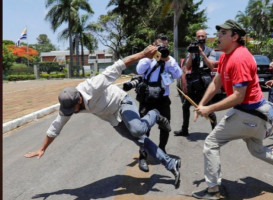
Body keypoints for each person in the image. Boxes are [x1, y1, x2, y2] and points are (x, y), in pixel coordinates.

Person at [24, 45, 182, 188]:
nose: (72, 113)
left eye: (74, 109)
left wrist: (142, 53)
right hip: (111, 117)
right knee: (141, 141)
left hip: (121, 102)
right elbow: (56, 126)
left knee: (137, 129)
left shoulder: (93, 85)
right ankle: (171, 164)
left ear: (79, 99)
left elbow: (118, 66)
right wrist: (42, 149)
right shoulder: (68, 105)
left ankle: (155, 114)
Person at [191, 20, 273, 199]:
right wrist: (202, 104)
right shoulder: (226, 54)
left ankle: (213, 190)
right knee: (258, 150)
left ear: (235, 37)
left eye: (223, 33)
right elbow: (217, 82)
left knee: (211, 144)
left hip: (248, 113)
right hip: (252, 114)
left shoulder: (240, 58)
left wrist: (209, 108)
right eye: (219, 33)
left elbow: (238, 96)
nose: (218, 36)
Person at [135, 34, 182, 172]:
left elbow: (178, 74)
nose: (162, 49)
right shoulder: (147, 59)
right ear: (153, 45)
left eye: (165, 46)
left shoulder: (169, 60)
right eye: (159, 46)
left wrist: (167, 59)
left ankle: (162, 150)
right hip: (147, 98)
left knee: (165, 126)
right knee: (144, 128)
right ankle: (143, 156)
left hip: (163, 98)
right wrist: (149, 55)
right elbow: (139, 70)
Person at [174, 29, 218, 137]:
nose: (201, 38)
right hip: (193, 82)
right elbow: (187, 66)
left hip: (205, 83)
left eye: (202, 36)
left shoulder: (210, 51)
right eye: (199, 36)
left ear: (206, 37)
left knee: (208, 108)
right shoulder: (192, 50)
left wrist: (202, 53)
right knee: (185, 106)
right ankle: (184, 130)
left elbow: (211, 67)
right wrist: (191, 53)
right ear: (196, 37)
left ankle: (215, 133)